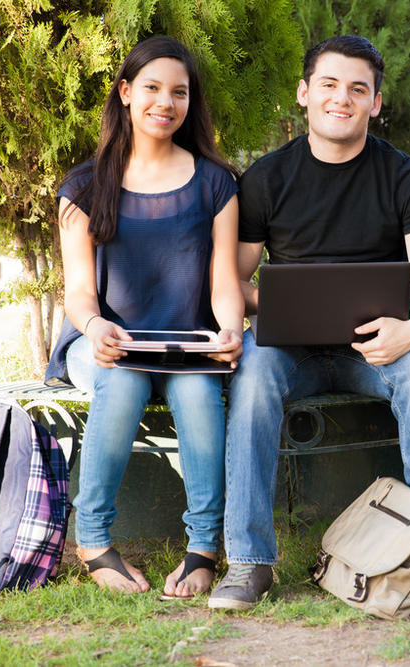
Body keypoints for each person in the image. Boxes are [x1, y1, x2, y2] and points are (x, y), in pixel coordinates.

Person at [209, 35, 410, 610]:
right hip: (289, 349)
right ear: (304, 93)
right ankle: (249, 562)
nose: (342, 98)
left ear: (375, 103)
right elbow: (233, 280)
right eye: (329, 85)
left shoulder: (406, 179)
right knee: (253, 376)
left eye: (358, 89)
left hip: (377, 348)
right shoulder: (266, 179)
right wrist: (276, 304)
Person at [45, 36, 244, 595]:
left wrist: (230, 329)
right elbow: (79, 293)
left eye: (179, 92)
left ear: (190, 101)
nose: (166, 102)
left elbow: (224, 284)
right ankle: (93, 540)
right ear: (126, 93)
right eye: (152, 88)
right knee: (124, 378)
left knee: (200, 393)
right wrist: (95, 328)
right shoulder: (83, 187)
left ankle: (203, 548)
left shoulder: (216, 183)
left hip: (186, 346)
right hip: (102, 343)